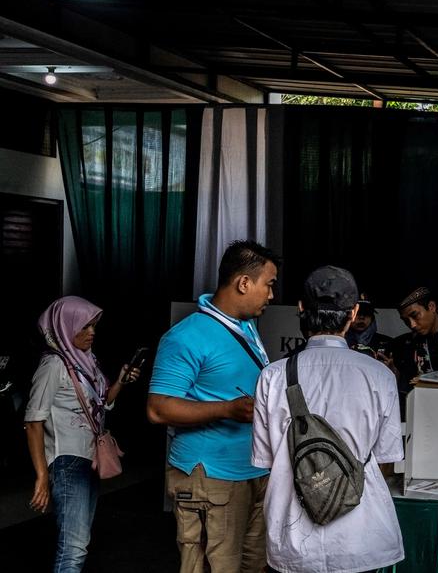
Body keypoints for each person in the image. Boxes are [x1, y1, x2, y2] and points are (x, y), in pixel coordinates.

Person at [251, 266, 404, 573]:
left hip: (293, 542)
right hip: (361, 537)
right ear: (354, 312)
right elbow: (387, 461)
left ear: (301, 308)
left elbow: (266, 463)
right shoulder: (379, 375)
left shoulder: (272, 376)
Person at [148, 240, 279, 573]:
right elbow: (158, 409)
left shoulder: (247, 327)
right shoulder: (185, 336)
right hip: (210, 478)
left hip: (254, 471)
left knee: (254, 565)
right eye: (269, 285)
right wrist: (226, 409)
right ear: (244, 283)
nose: (271, 295)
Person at [25, 297, 140, 573]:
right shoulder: (54, 366)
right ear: (65, 327)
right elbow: (33, 421)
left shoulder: (86, 361)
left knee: (80, 542)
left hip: (89, 459)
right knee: (73, 548)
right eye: (85, 326)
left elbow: (100, 404)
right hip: (67, 462)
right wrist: (42, 475)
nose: (92, 332)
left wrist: (121, 382)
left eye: (94, 326)